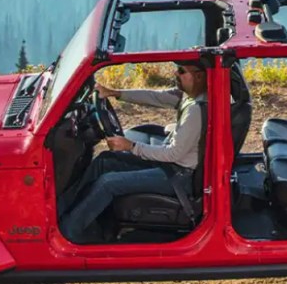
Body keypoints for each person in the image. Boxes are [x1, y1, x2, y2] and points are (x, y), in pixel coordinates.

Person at [59, 59, 208, 244]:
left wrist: (130, 146)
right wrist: (115, 93)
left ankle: (67, 233)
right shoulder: (189, 96)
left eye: (181, 71)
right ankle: (66, 210)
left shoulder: (196, 111)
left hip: (179, 176)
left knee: (108, 183)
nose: (176, 74)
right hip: (172, 165)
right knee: (105, 160)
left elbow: (173, 154)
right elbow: (156, 97)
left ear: (199, 76)